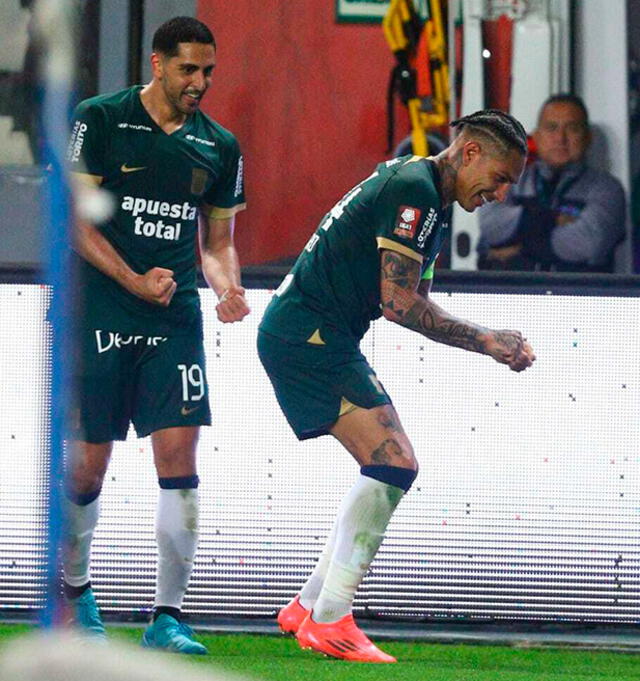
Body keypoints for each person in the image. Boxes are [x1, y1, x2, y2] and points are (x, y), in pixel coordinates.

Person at [257, 109, 536, 663]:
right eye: (500, 178)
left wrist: (487, 342)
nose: (501, 194)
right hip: (308, 336)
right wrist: (489, 341)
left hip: (314, 334)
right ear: (471, 152)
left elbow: (413, 299)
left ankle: (308, 606)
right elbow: (399, 303)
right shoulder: (415, 191)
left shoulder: (424, 190)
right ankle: (330, 619)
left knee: (386, 464)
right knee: (394, 462)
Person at [63, 16, 249, 654]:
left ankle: (167, 617)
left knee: (179, 459)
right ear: (157, 63)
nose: (200, 83)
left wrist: (227, 287)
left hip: (172, 317)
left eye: (208, 73)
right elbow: (74, 223)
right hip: (98, 309)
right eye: (189, 70)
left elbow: (218, 242)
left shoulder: (219, 145)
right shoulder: (103, 119)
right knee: (88, 466)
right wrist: (132, 277)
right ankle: (74, 592)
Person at [477, 94, 626, 272]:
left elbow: (588, 245)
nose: (560, 138)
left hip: (578, 296)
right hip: (513, 295)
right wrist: (553, 219)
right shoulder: (508, 179)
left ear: (587, 138)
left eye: (572, 129)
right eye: (551, 128)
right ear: (537, 137)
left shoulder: (607, 189)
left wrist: (519, 248)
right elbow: (491, 227)